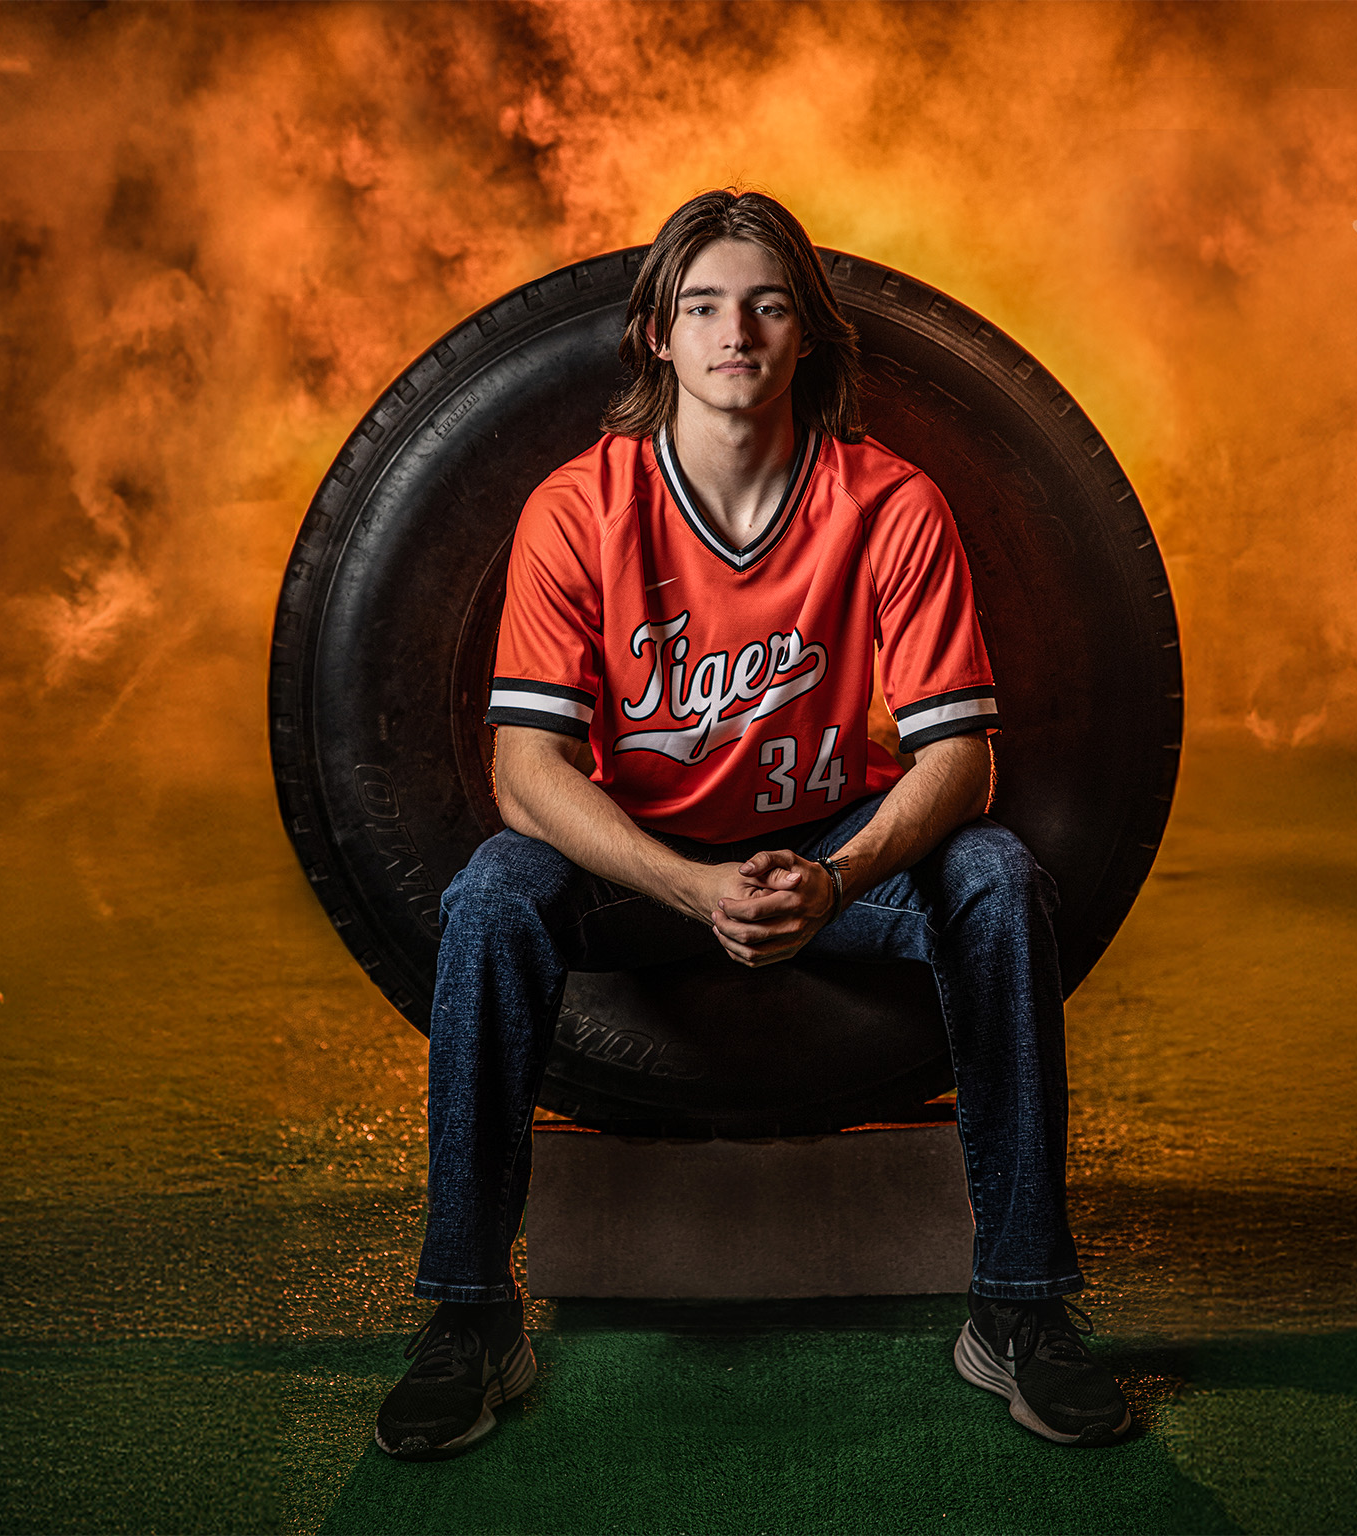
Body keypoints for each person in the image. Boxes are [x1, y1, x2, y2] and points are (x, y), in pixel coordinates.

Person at [374, 189, 1131, 1459]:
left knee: (996, 878)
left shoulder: (890, 503)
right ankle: (467, 1317)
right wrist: (687, 888)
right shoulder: (579, 508)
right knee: (494, 891)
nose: (740, 330)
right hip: (642, 863)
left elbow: (960, 762)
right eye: (707, 305)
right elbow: (524, 770)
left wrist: (832, 884)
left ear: (809, 337)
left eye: (770, 304)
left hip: (828, 853)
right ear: (658, 336)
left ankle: (1020, 1307)